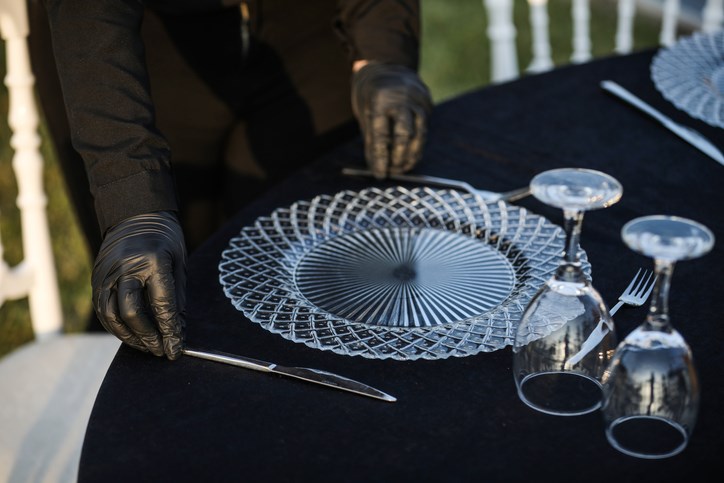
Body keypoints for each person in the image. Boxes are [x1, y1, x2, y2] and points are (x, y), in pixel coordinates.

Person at [36, 0, 432, 360]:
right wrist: (133, 197)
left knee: (333, 285)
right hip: (137, 37)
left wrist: (383, 48)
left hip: (313, 28)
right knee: (162, 299)